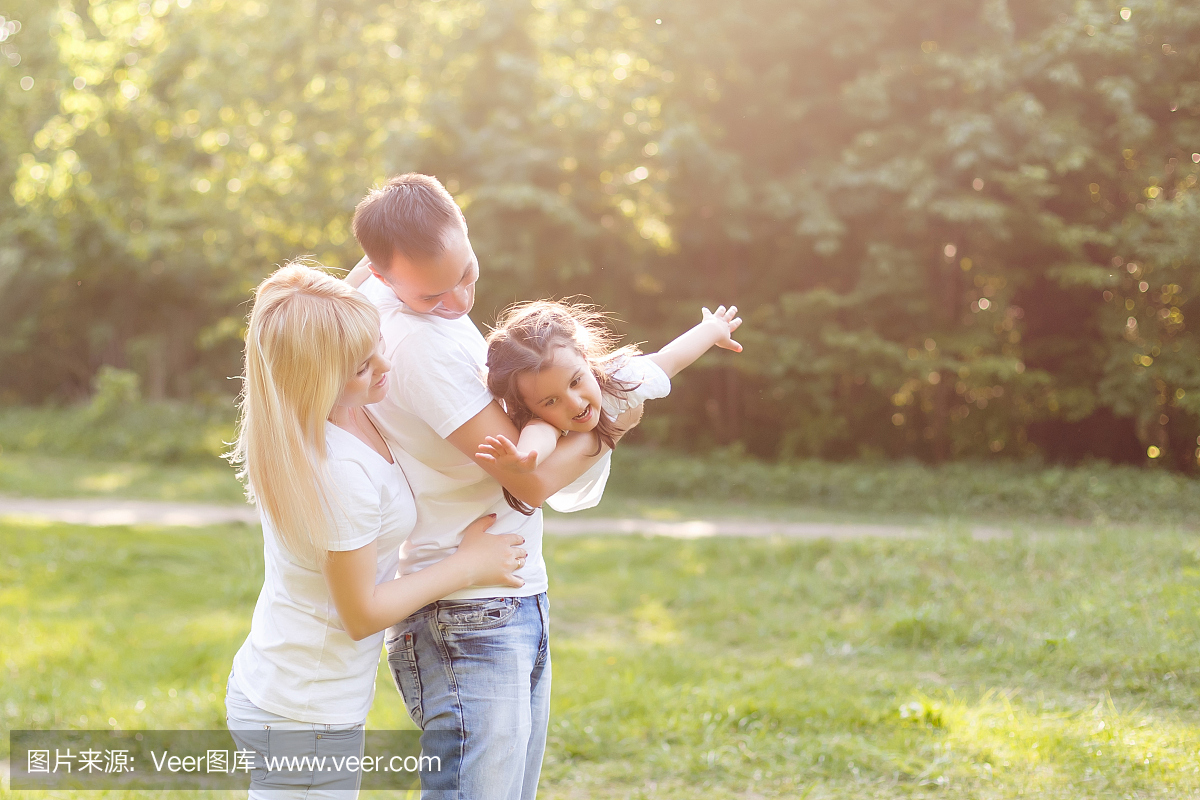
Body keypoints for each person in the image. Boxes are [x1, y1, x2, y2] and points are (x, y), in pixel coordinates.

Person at [345, 174, 642, 800]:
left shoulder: (385, 292)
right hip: (467, 616)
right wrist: (608, 424)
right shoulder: (417, 344)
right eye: (433, 294)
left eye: (467, 273)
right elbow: (526, 484)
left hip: (504, 596)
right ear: (385, 275)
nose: (458, 300)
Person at [224, 262, 526, 799]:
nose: (386, 365)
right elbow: (360, 614)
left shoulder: (329, 409)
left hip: (292, 688)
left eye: (378, 343)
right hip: (304, 710)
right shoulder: (337, 469)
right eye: (364, 366)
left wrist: (396, 256)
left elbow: (347, 284)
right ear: (317, 378)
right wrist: (468, 566)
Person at [477, 300, 743, 514]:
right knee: (542, 426)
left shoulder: (620, 380)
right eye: (551, 400)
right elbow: (539, 436)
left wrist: (714, 328)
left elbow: (671, 358)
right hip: (563, 483)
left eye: (575, 381)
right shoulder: (540, 421)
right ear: (527, 405)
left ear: (583, 356)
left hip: (591, 462)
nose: (575, 403)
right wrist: (523, 457)